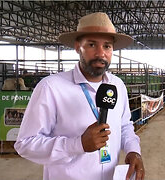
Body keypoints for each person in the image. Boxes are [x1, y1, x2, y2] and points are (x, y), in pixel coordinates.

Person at [14, 12, 145, 180]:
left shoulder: (117, 85)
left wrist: (134, 151)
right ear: (77, 47)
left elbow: (125, 126)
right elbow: (25, 144)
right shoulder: (51, 87)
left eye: (107, 46)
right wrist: (77, 145)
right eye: (91, 45)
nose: (100, 53)